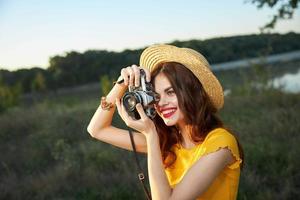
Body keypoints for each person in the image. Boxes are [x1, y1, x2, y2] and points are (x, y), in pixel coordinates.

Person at [87, 44, 244, 200]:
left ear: (193, 93)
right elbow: (97, 129)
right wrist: (122, 83)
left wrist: (150, 135)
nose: (161, 103)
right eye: (156, 95)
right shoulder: (168, 142)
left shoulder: (221, 143)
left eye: (170, 92)